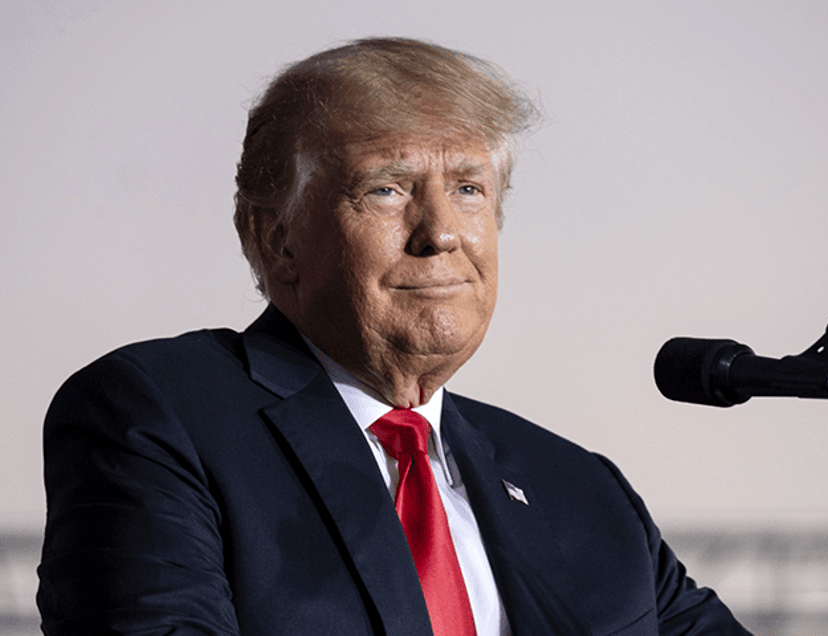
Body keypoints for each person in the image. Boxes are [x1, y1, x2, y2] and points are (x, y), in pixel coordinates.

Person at [37, 37, 752, 635]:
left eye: (469, 188)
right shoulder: (160, 417)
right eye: (387, 188)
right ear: (276, 236)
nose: (441, 231)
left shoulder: (583, 491)